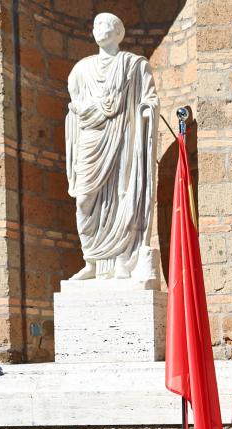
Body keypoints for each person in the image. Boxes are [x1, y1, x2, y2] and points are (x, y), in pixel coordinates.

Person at [66, 13, 159, 281]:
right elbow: (75, 106)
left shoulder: (133, 65)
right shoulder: (81, 70)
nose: (97, 28)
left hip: (124, 139)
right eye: (94, 24)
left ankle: (122, 259)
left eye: (104, 24)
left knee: (123, 195)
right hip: (92, 139)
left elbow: (150, 99)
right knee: (84, 199)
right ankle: (91, 260)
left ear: (119, 32)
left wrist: (145, 112)